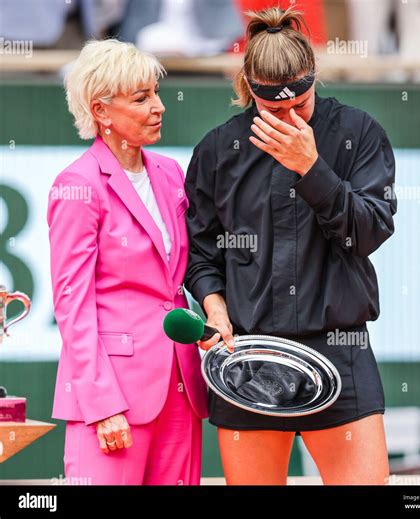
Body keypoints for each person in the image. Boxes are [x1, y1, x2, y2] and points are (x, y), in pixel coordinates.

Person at [184, 7, 397, 485]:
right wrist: (214, 306)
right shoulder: (218, 150)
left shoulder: (359, 133)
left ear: (313, 81)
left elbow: (369, 231)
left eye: (300, 105)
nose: (288, 118)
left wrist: (312, 167)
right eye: (273, 110)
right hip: (248, 356)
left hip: (340, 349)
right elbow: (201, 255)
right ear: (250, 89)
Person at [47, 39, 207, 485]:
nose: (158, 106)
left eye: (155, 93)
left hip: (181, 387)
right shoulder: (76, 185)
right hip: (112, 398)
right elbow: (72, 304)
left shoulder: (171, 173)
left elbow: (182, 276)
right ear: (101, 111)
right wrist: (102, 404)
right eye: (141, 98)